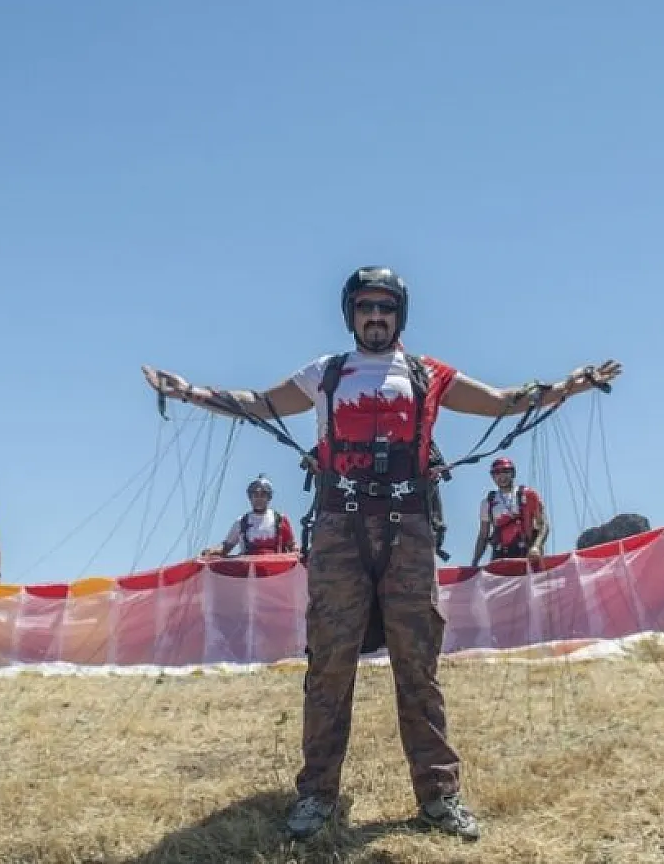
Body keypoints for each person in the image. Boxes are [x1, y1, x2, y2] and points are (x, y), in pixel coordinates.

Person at [143, 266, 620, 841]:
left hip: (409, 532)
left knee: (418, 666)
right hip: (340, 534)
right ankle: (316, 795)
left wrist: (567, 387)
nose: (376, 318)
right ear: (351, 315)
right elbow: (260, 403)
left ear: (400, 315)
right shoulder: (324, 374)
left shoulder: (427, 374)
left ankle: (439, 797)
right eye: (366, 308)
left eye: (386, 308)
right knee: (329, 668)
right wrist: (190, 392)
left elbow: (500, 402)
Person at [470, 456, 549, 568]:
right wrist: (474, 562)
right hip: (500, 557)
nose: (501, 476)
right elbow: (483, 535)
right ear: (492, 476)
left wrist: (536, 546)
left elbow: (543, 525)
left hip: (527, 554)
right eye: (497, 473)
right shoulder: (488, 503)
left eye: (505, 471)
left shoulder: (529, 495)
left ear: (513, 473)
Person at [205, 475, 298, 557]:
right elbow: (226, 547)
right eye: (255, 495)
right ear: (250, 497)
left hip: (278, 574)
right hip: (249, 573)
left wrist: (301, 552)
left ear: (269, 497)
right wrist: (212, 552)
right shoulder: (241, 522)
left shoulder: (280, 520)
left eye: (263, 495)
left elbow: (292, 547)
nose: (259, 499)